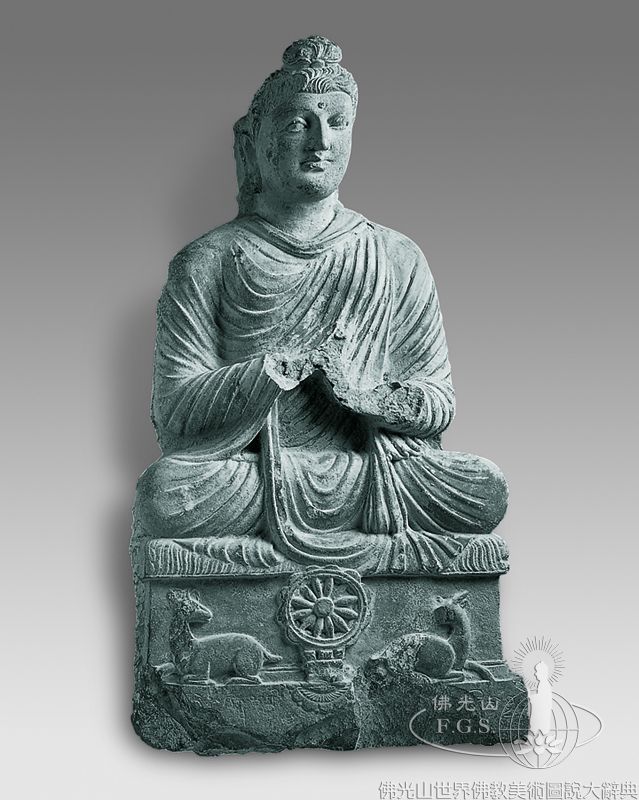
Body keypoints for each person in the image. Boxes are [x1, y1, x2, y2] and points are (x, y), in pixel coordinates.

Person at [133, 35, 508, 573]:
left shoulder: (396, 255)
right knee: (166, 493)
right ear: (255, 140)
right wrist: (269, 371)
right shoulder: (208, 259)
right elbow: (175, 414)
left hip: (374, 471)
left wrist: (369, 397)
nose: (321, 142)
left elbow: (438, 401)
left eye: (337, 122)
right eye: (297, 123)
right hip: (251, 471)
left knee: (483, 487)